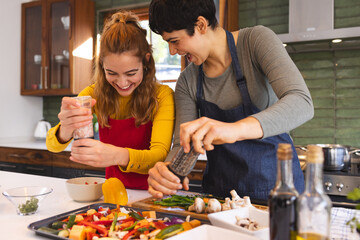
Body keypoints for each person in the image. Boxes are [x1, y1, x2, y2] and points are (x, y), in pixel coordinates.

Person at [147, 0, 314, 200]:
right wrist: (168, 171)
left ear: (200, 25)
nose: (173, 51)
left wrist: (233, 130)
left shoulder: (255, 41)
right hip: (220, 199)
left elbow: (301, 102)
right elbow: (184, 146)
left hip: (279, 193)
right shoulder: (187, 80)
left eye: (175, 41)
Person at [46, 10, 175, 190]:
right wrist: (65, 129)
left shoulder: (162, 96)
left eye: (131, 73)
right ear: (102, 66)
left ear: (146, 62)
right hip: (112, 194)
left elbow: (160, 156)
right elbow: (52, 147)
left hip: (154, 194)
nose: (122, 83)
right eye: (111, 73)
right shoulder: (93, 95)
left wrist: (116, 155)